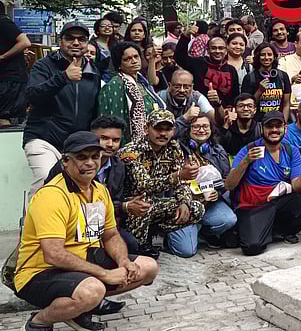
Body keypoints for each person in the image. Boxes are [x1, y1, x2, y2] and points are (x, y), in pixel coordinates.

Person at [14, 131, 159, 331]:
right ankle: (39, 321)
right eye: (81, 157)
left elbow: (111, 235)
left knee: (148, 267)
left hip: (83, 259)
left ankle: (79, 309)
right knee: (93, 290)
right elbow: (53, 254)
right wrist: (105, 274)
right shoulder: (52, 195)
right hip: (39, 272)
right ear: (65, 161)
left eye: (94, 157)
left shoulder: (100, 190)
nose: (90, 163)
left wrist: (123, 261)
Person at [44, 116, 140, 263]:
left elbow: (115, 202)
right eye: (104, 138)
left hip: (99, 224)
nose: (110, 144)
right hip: (69, 226)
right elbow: (51, 203)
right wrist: (123, 206)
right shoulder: (67, 165)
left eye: (115, 140)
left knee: (131, 246)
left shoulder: (119, 166)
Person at [23, 21, 101, 199]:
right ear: (60, 40)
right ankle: (31, 225)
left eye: (81, 39)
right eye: (70, 38)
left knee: (79, 189)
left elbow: (94, 110)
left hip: (76, 144)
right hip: (43, 138)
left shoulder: (93, 71)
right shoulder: (44, 65)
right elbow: (32, 95)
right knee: (46, 179)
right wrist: (64, 77)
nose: (75, 43)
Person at [225, 111, 301, 255]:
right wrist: (246, 162)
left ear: (285, 128)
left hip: (277, 200)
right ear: (262, 128)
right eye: (269, 126)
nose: (274, 130)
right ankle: (252, 230)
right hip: (253, 205)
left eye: (278, 126)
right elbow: (229, 185)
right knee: (252, 247)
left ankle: (276, 231)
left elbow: (297, 187)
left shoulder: (291, 150)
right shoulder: (249, 150)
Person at [118, 110, 204, 252]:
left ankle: (156, 231)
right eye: (158, 128)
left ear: (173, 130)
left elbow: (181, 183)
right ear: (147, 128)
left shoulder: (174, 148)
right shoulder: (132, 151)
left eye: (168, 129)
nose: (163, 134)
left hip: (157, 204)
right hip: (132, 205)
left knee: (196, 208)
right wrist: (178, 175)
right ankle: (140, 245)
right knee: (143, 208)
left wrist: (184, 201)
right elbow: (143, 185)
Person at [166, 115, 237, 257]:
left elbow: (226, 180)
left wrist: (218, 192)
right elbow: (169, 133)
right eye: (196, 126)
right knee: (186, 251)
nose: (201, 130)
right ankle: (172, 234)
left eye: (205, 126)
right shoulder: (175, 148)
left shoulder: (218, 150)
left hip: (207, 203)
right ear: (188, 130)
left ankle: (202, 231)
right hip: (182, 203)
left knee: (228, 220)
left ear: (211, 129)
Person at [98, 42, 166, 146]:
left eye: (136, 56)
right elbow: (112, 119)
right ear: (119, 65)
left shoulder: (141, 81)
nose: (134, 61)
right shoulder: (115, 85)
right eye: (127, 59)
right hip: (128, 146)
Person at [175, 32, 240, 107]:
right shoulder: (198, 63)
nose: (217, 51)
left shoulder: (231, 70)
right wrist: (185, 37)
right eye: (213, 48)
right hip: (200, 109)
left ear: (226, 51)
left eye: (221, 48)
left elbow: (235, 94)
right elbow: (179, 57)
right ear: (208, 50)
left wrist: (230, 108)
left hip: (224, 111)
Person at [241, 42, 292, 122]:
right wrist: (259, 91)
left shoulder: (283, 76)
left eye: (269, 54)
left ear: (274, 56)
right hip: (257, 123)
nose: (266, 57)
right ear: (257, 57)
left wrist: (284, 123)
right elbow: (247, 106)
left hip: (278, 121)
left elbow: (286, 104)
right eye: (263, 54)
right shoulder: (250, 78)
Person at [0, 0, 30, 127]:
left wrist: (3, 56)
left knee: (5, 119)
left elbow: (25, 42)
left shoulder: (3, 23)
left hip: (10, 80)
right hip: (7, 79)